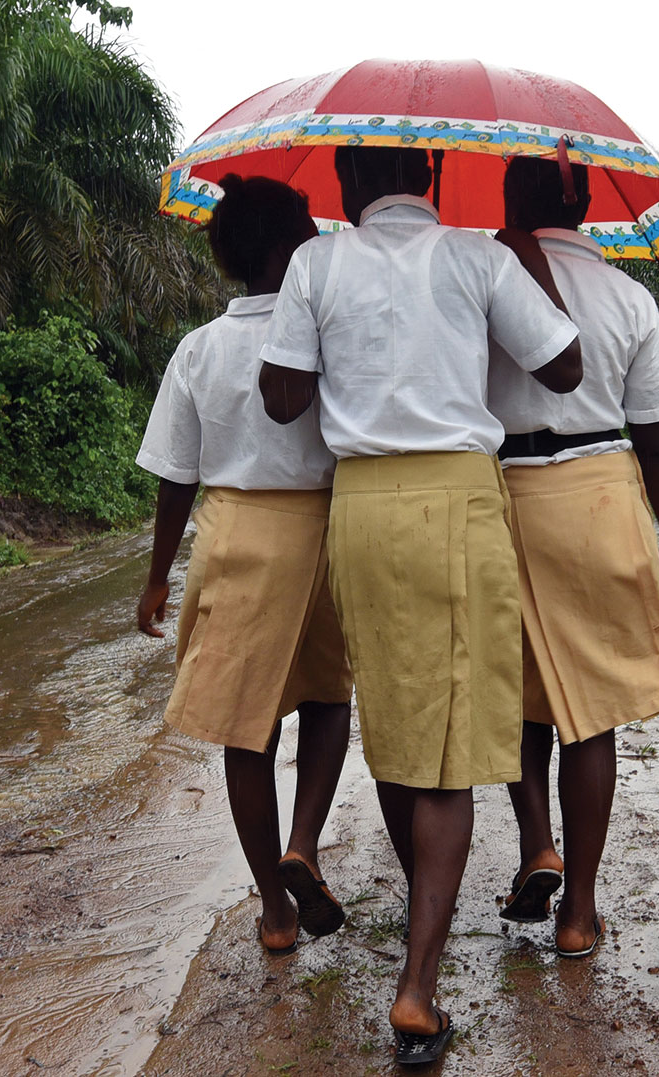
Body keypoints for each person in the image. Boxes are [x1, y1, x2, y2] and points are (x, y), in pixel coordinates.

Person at [256, 144, 584, 1065]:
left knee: (400, 726)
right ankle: (417, 988)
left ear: (346, 179)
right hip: (459, 498)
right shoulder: (477, 257)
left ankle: (422, 933)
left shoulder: (315, 262)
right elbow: (564, 367)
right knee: (448, 751)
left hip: (362, 505)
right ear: (433, 168)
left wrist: (340, 344)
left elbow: (281, 399)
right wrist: (523, 260)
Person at [135, 174, 354, 954]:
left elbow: (176, 475)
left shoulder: (198, 349)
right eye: (308, 231)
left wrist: (158, 576)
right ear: (289, 249)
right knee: (328, 697)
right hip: (322, 531)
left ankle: (275, 908)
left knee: (244, 729)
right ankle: (304, 840)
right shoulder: (327, 340)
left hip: (231, 536)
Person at [488, 154, 659, 961]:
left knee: (520, 695)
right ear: (581, 200)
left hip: (504, 492)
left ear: (508, 199)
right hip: (602, 490)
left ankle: (536, 841)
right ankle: (579, 911)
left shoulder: (486, 278)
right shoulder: (629, 297)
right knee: (590, 712)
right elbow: (657, 435)